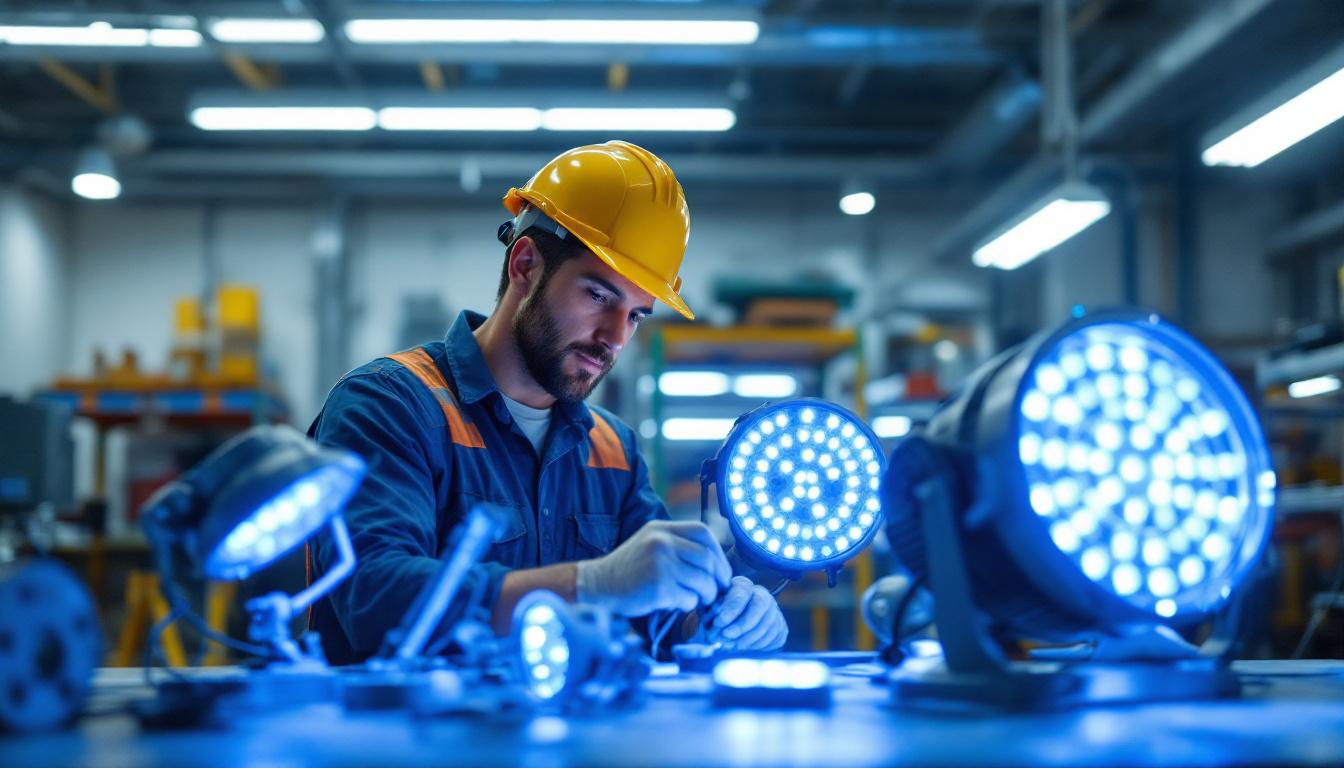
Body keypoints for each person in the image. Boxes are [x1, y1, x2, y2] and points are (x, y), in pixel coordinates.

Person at [307, 141, 787, 664]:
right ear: (526, 265)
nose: (614, 338)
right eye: (599, 296)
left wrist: (725, 619)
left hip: (569, 741)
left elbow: (658, 617)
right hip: (403, 741)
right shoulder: (392, 404)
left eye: (635, 315)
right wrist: (590, 584)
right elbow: (378, 600)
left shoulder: (613, 450)